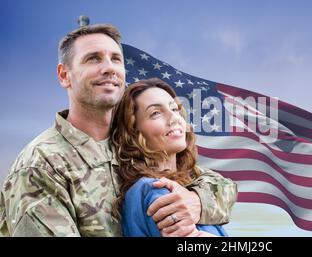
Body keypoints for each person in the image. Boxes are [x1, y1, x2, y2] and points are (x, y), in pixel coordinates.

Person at [0, 24, 237, 237]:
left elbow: (219, 184)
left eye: (116, 59)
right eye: (93, 59)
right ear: (64, 75)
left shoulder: (134, 141)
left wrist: (197, 201)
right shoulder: (41, 166)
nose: (109, 68)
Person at [111, 78, 234, 237]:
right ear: (133, 133)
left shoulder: (187, 185)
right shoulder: (155, 190)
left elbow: (225, 186)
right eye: (155, 113)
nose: (174, 118)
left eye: (175, 109)